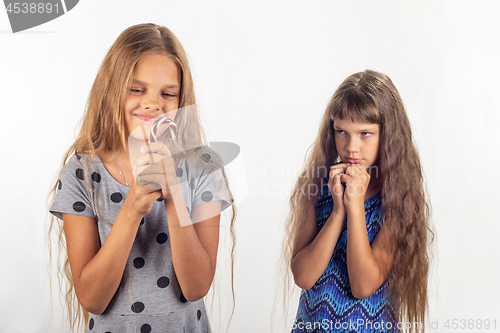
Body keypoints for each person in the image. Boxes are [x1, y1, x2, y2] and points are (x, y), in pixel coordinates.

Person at [47, 23, 235, 333]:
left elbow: (196, 287)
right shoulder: (81, 174)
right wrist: (132, 207)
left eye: (168, 93)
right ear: (113, 89)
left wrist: (173, 192)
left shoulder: (204, 167)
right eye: (137, 89)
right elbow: (92, 297)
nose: (152, 103)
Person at [283, 70, 434, 332]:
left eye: (365, 134)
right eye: (342, 131)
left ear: (387, 135)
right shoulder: (316, 187)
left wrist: (356, 209)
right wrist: (338, 211)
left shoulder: (399, 201)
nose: (352, 146)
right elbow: (304, 277)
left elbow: (363, 286)